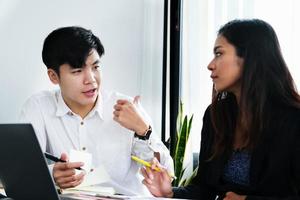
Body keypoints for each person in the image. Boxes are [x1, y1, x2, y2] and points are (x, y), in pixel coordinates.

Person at [141, 19, 300, 199]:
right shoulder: (215, 116)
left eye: (219, 53)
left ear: (249, 58)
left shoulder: (294, 120)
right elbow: (204, 188)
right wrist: (169, 193)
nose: (210, 64)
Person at [19, 26, 173, 195]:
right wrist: (51, 174)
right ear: (54, 76)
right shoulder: (38, 107)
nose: (91, 80)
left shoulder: (126, 107)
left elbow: (165, 175)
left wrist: (143, 130)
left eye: (95, 67)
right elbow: (20, 171)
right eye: (77, 71)